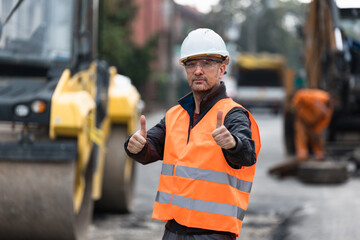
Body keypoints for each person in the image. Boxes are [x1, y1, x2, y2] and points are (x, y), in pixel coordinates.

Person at [124, 28, 261, 240]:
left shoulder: (233, 114)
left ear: (222, 69)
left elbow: (247, 154)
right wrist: (135, 146)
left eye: (206, 63)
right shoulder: (175, 115)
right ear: (185, 70)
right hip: (173, 231)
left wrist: (233, 144)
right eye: (191, 64)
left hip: (214, 235)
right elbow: (150, 146)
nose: (198, 70)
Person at [292, 88, 333, 161]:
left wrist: (317, 132)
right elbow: (300, 94)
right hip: (302, 120)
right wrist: (296, 104)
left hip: (314, 124)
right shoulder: (319, 97)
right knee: (301, 137)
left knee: (316, 140)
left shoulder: (328, 110)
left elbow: (324, 123)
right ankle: (302, 156)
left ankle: (320, 156)